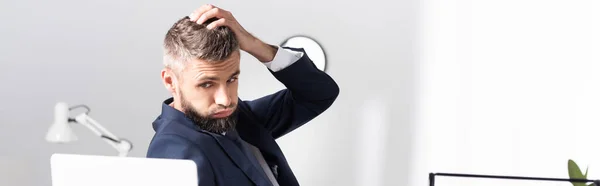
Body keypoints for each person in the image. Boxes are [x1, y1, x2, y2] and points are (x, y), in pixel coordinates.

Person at [146, 4, 339, 186]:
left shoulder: (238, 117)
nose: (226, 100)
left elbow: (319, 94)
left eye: (231, 79)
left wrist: (254, 44)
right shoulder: (172, 151)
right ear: (171, 81)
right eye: (206, 84)